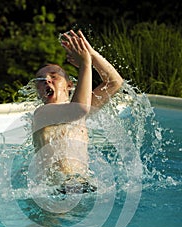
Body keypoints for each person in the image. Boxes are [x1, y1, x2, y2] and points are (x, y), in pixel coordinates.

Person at [31, 30, 123, 193]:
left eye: (54, 76)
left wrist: (91, 54)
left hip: (84, 186)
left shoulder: (79, 111)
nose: (46, 80)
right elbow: (79, 109)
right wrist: (85, 64)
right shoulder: (42, 114)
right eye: (40, 80)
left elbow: (114, 82)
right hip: (53, 190)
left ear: (70, 84)